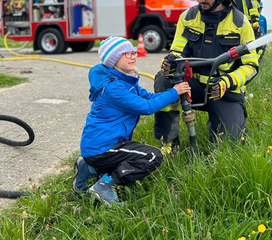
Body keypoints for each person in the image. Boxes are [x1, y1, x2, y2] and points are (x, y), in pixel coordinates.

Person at [154, 0, 259, 153]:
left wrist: (227, 82)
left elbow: (251, 66)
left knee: (231, 147)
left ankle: (218, 123)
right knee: (164, 79)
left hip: (223, 90)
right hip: (192, 87)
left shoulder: (240, 23)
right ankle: (169, 144)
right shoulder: (187, 17)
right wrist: (170, 62)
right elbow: (176, 51)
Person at [73, 36, 190, 207]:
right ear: (113, 60)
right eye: (126, 54)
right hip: (102, 148)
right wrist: (173, 92)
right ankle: (104, 186)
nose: (133, 56)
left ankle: (88, 167)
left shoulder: (124, 80)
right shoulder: (113, 88)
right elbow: (146, 107)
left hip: (102, 146)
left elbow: (149, 97)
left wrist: (175, 95)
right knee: (152, 156)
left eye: (133, 52)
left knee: (134, 157)